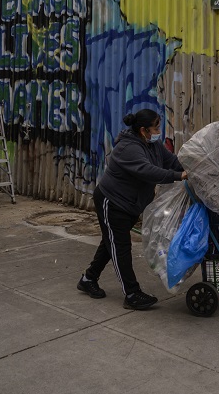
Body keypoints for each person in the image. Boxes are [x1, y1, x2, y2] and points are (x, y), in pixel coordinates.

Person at [77, 109, 187, 310]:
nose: (158, 131)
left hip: (130, 205)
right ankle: (132, 293)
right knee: (120, 247)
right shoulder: (128, 148)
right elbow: (148, 171)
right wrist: (178, 176)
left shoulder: (152, 145)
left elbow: (171, 161)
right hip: (112, 202)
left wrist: (191, 170)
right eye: (156, 127)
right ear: (144, 130)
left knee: (109, 243)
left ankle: (88, 279)